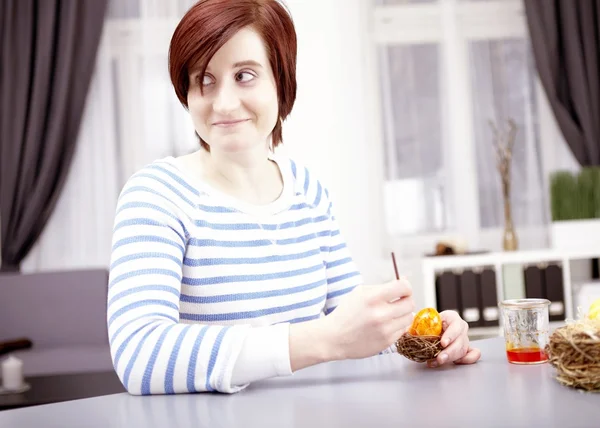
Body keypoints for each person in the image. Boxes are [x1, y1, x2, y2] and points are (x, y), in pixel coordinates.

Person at [106, 0, 480, 396]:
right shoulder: (157, 194)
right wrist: (323, 340)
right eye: (205, 79)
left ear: (281, 80)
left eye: (245, 75)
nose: (224, 103)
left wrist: (427, 336)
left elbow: (355, 327)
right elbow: (139, 356)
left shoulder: (307, 190)